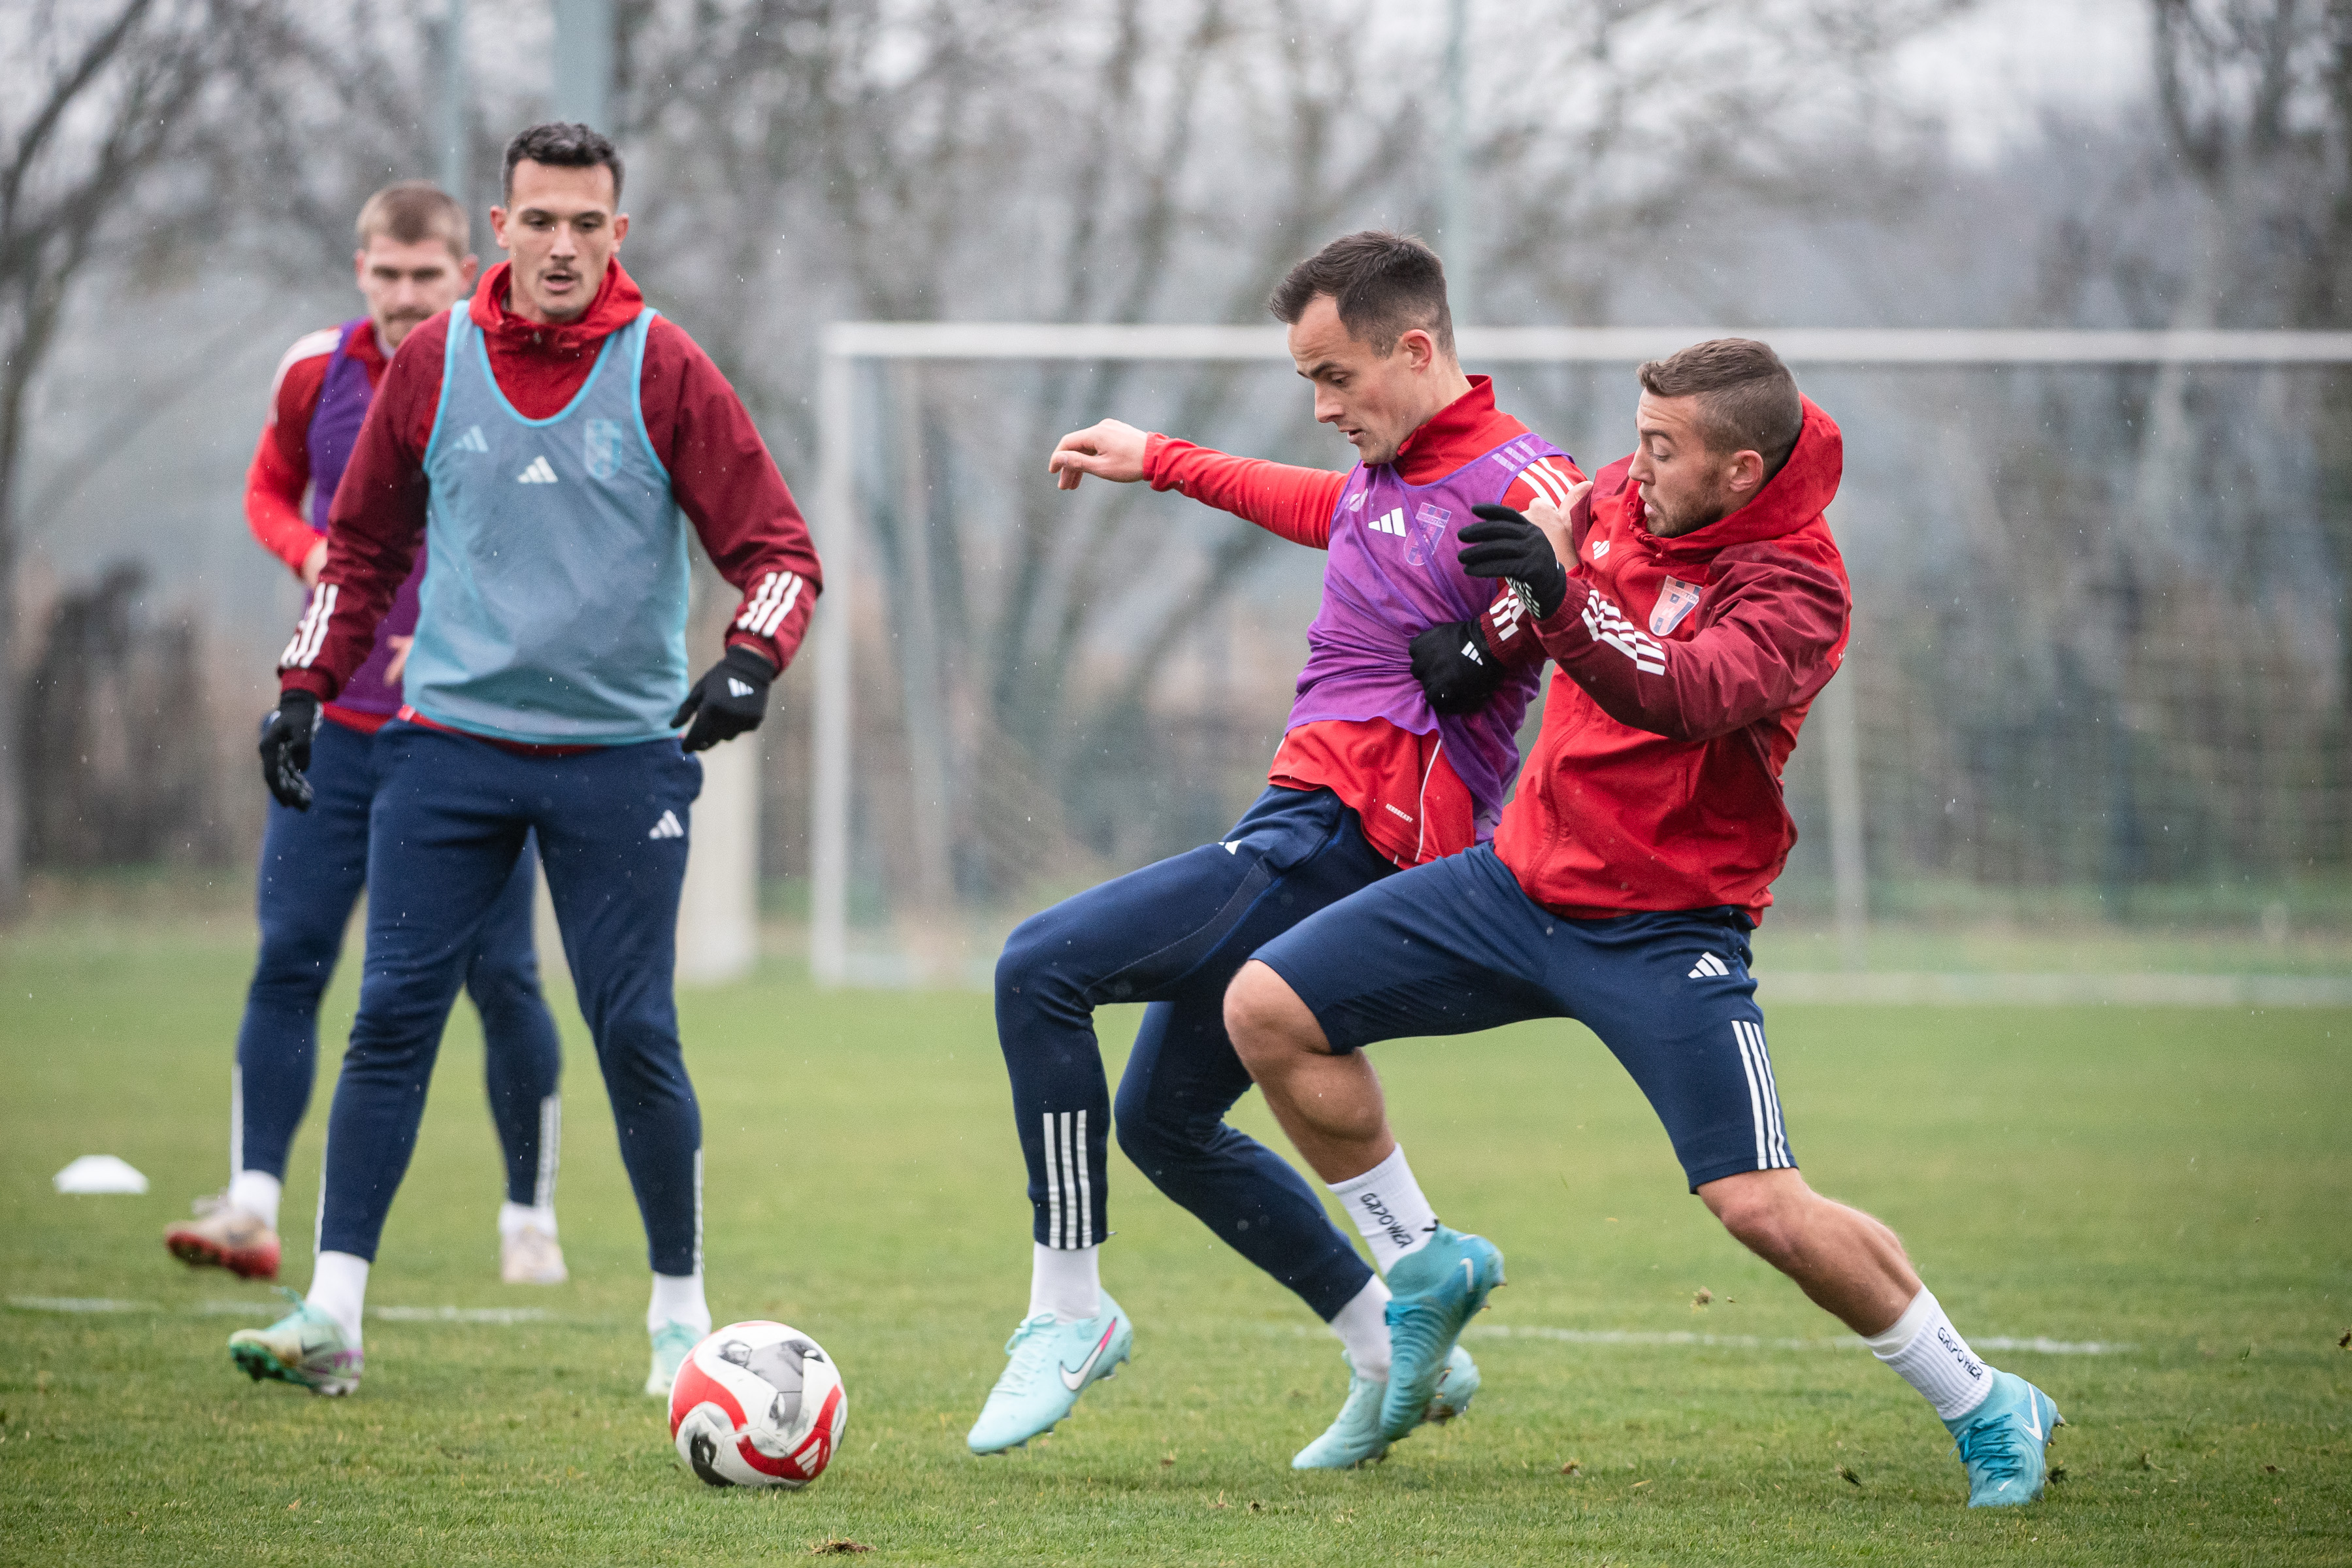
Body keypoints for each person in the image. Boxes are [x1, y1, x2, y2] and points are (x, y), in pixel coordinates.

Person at [1222, 338, 2065, 1507]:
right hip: (1514, 887)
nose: (1634, 466)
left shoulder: (1799, 589)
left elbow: (1681, 690)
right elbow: (1556, 570)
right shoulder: (1621, 498)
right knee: (1269, 1007)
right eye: (1638, 437)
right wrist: (1490, 637)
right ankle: (1422, 1265)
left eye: (1663, 449)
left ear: (1739, 469)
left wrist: (1558, 601)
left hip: (1667, 931)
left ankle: (1984, 1401)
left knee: (1759, 1206)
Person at [970, 231, 1587, 1467]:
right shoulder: (1387, 476)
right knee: (1164, 1123)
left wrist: (1523, 617)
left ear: (1415, 349)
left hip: (1352, 838)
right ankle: (1389, 1345)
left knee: (1040, 967)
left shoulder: (1534, 487)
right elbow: (1313, 506)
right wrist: (1159, 458)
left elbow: (1604, 578)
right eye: (1308, 380)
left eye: (1335, 377)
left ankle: (1070, 1308)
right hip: (1304, 826)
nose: (1321, 407)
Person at [225, 123, 821, 1399]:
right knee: (391, 1017)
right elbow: (361, 551)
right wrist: (303, 687)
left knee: (636, 1031)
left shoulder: (667, 367)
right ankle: (332, 1313)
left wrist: (750, 662)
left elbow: (779, 553)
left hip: (620, 758)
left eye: (585, 224)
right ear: (499, 230)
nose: (561, 245)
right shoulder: (432, 362)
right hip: (446, 751)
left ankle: (679, 1324)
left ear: (619, 234)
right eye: (539, 220)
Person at [165, 182, 568, 1291]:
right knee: (290, 955)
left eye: (425, 276)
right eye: (386, 274)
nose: (404, 295)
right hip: (338, 732)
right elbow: (268, 491)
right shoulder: (313, 373)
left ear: (466, 274)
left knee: (503, 981)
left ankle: (528, 1217)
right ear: (361, 272)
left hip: (469, 742)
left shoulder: (513, 376)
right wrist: (310, 554)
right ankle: (252, 1201)